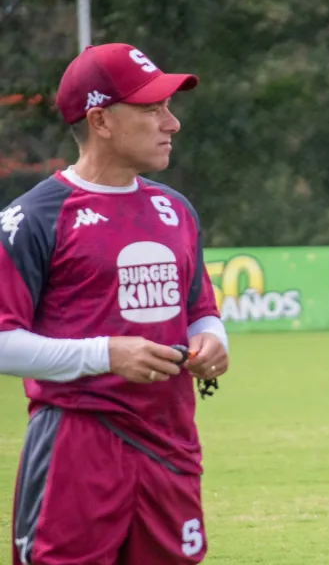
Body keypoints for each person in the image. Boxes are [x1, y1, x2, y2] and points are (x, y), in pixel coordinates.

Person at [0, 43, 229, 564]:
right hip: (77, 446)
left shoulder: (176, 210)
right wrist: (106, 355)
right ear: (100, 120)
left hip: (171, 444)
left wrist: (213, 338)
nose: (171, 124)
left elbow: (200, 309)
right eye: (152, 110)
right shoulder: (33, 219)